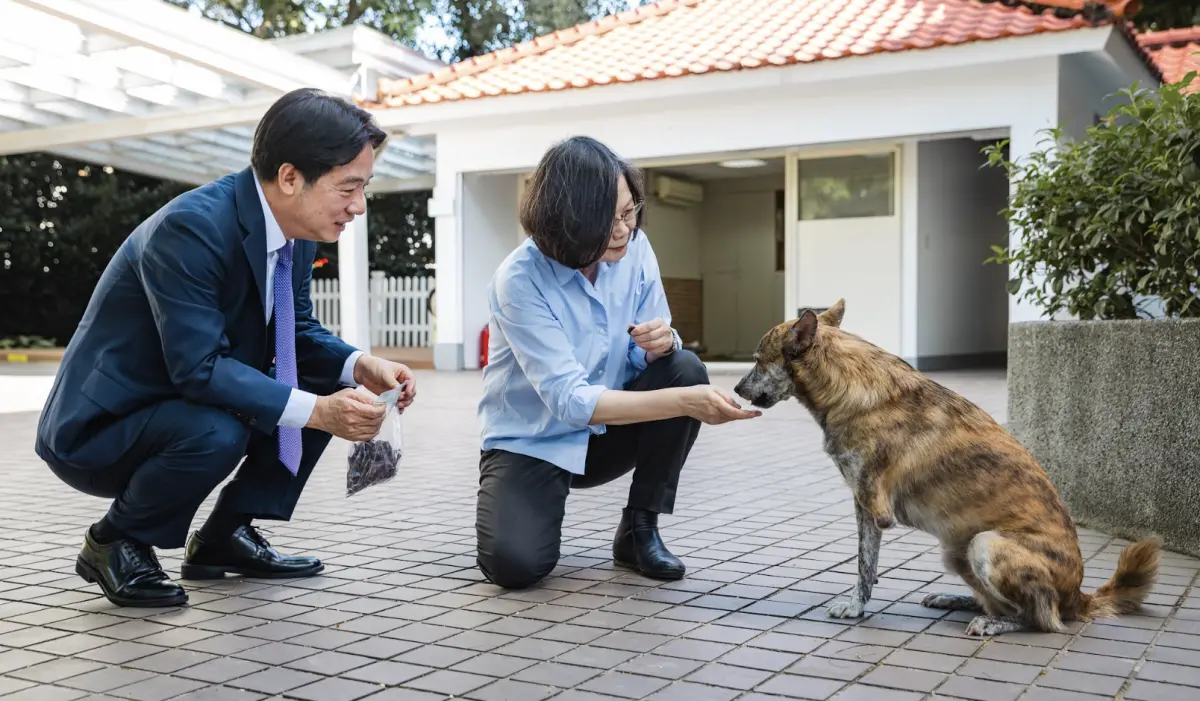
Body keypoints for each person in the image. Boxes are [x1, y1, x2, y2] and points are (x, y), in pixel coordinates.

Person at [34, 88, 417, 608]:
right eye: (348, 187)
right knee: (221, 429)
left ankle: (222, 538)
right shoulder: (190, 229)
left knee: (330, 382)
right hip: (102, 428)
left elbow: (296, 331)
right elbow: (199, 369)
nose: (360, 205)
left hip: (179, 404)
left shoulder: (297, 231)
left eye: (364, 186)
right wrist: (320, 414)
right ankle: (114, 541)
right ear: (288, 178)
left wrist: (359, 365)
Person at [475, 136, 762, 589]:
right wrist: (685, 403)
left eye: (629, 212)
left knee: (685, 366)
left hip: (608, 435)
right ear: (566, 222)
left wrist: (662, 343)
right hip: (534, 441)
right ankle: (531, 503)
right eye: (605, 220)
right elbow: (569, 402)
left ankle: (638, 529)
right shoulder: (519, 279)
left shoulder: (637, 250)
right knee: (514, 566)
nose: (623, 230)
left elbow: (648, 351)